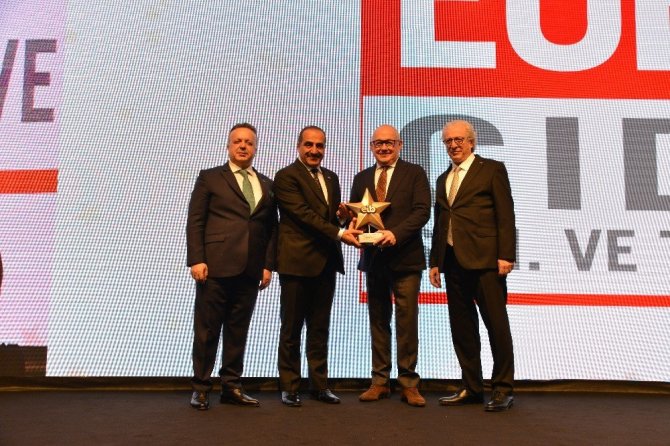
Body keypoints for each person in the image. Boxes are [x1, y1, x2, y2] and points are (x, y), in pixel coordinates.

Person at [186, 122, 277, 410]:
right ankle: (201, 387)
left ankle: (231, 386)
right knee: (207, 331)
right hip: (214, 267)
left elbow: (271, 228)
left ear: (255, 148)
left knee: (238, 331)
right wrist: (197, 259)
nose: (243, 146)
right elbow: (195, 221)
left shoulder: (266, 184)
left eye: (249, 142)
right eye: (237, 141)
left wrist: (268, 265)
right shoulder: (210, 177)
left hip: (250, 270)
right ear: (228, 146)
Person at [428, 119, 516, 412]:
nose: (453, 145)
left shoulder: (491, 169)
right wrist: (435, 261)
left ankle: (503, 389)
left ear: (471, 142)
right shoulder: (443, 178)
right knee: (462, 328)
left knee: (496, 326)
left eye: (459, 140)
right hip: (453, 263)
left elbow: (506, 215)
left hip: (487, 262)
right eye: (448, 141)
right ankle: (472, 387)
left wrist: (506, 255)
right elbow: (441, 222)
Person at [273, 125, 361, 407]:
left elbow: (328, 220)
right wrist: (340, 233)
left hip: (325, 263)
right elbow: (303, 215)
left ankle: (320, 385)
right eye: (309, 145)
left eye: (319, 146)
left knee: (320, 328)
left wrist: (343, 219)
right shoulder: (286, 176)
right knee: (291, 329)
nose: (314, 151)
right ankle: (289, 386)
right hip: (296, 263)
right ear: (298, 146)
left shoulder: (331, 177)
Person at [348, 124, 431, 407]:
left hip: (406, 259)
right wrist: (345, 218)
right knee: (378, 321)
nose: (384, 148)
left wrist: (396, 233)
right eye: (378, 143)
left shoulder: (415, 173)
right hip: (374, 260)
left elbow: (422, 211)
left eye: (389, 143)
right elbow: (356, 219)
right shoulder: (361, 178)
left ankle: (409, 383)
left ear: (399, 145)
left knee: (407, 322)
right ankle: (380, 381)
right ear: (372, 147)